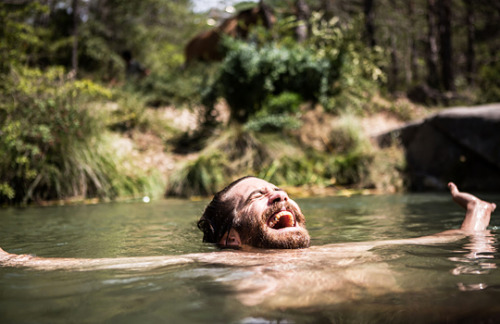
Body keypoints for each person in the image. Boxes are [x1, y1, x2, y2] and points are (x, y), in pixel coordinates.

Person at [0, 176, 496, 271]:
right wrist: (12, 259)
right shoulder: (220, 266)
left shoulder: (340, 253)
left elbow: (443, 243)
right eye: (257, 196)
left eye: (278, 189)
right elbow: (120, 264)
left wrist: (477, 214)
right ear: (232, 238)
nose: (279, 194)